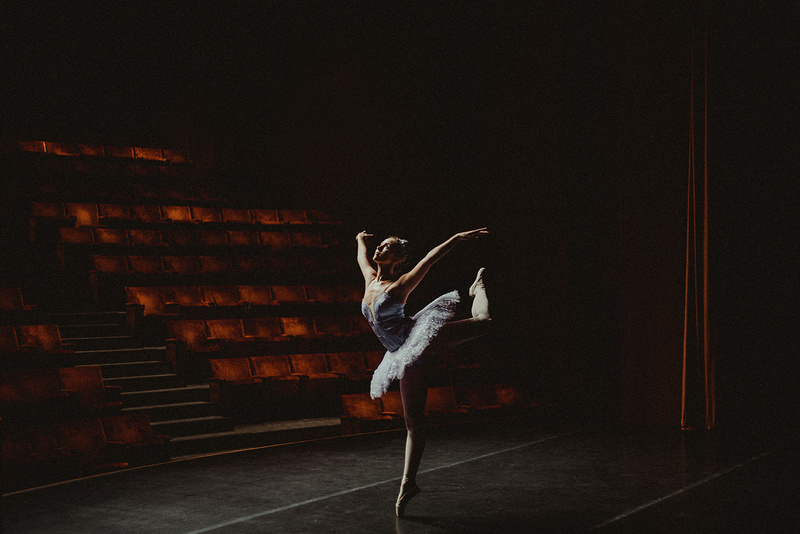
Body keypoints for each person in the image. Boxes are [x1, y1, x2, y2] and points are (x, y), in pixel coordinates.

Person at [356, 228, 491, 517]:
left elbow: (429, 259)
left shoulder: (400, 285)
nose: (379, 249)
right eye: (379, 246)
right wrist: (359, 240)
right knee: (413, 422)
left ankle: (477, 290)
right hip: (400, 355)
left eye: (387, 247)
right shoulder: (369, 281)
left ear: (398, 259)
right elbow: (362, 258)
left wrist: (454, 239)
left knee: (484, 321)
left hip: (416, 340)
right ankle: (409, 483)